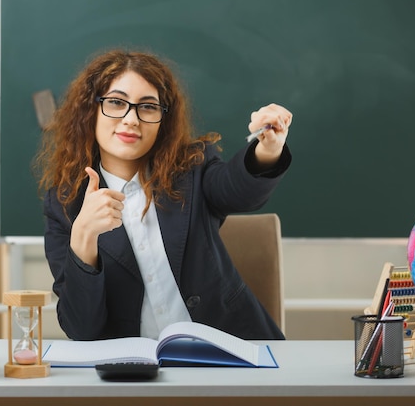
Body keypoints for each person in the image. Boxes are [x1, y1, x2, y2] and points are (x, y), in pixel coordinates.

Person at [35, 49, 292, 341]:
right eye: (117, 103)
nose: (131, 119)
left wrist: (268, 150)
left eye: (147, 107)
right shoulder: (64, 205)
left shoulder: (192, 168)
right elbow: (81, 328)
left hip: (229, 354)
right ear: (90, 111)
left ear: (163, 120)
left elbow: (238, 190)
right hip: (134, 375)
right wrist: (83, 236)